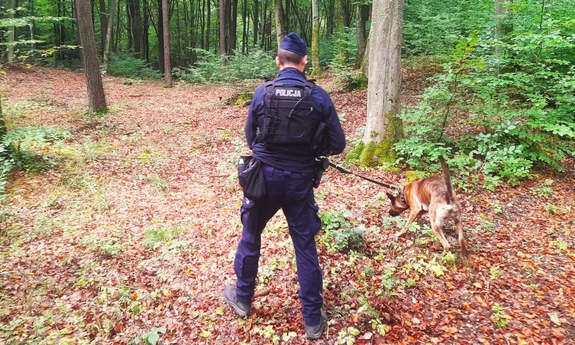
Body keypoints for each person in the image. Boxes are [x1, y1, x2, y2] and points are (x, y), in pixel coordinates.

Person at [223, 32, 346, 340]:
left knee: (251, 235)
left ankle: (242, 298)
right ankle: (312, 320)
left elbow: (251, 138)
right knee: (304, 246)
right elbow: (337, 143)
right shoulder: (318, 96)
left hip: (262, 179)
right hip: (299, 182)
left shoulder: (263, 92)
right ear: (304, 61)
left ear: (278, 62)